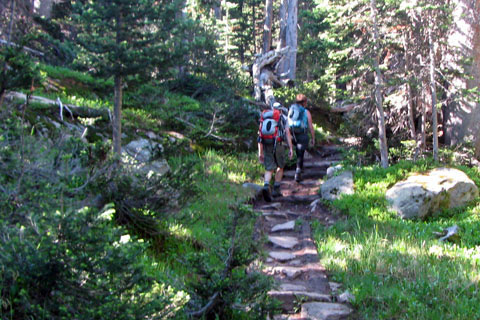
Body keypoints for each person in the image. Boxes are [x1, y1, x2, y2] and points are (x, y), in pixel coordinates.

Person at [258, 102, 294, 202]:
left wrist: (260, 152)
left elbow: (260, 135)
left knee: (269, 168)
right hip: (278, 144)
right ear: (281, 109)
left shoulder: (265, 117)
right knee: (280, 166)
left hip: (266, 143)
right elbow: (287, 133)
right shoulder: (283, 118)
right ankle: (276, 189)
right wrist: (291, 148)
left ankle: (266, 185)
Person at [288, 94, 315, 182]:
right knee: (300, 153)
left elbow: (287, 123)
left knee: (297, 150)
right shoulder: (306, 112)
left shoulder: (291, 109)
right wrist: (313, 138)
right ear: (304, 102)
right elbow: (311, 126)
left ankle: (300, 168)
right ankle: (298, 171)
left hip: (292, 134)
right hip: (302, 134)